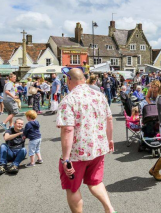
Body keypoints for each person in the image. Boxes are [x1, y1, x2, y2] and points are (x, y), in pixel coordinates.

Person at [57, 68, 115, 213]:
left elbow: (68, 129)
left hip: (78, 152)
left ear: (68, 80)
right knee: (96, 182)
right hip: (98, 147)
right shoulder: (99, 95)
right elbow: (109, 119)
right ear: (83, 79)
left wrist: (65, 158)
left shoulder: (69, 99)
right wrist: (110, 140)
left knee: (72, 187)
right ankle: (110, 210)